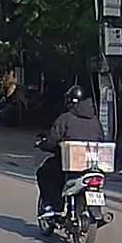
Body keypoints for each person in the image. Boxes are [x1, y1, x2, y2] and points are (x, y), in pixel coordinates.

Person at [37, 84, 104, 218]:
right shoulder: (96, 121)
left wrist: (43, 144)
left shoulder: (65, 118)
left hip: (69, 163)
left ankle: (51, 206)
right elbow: (101, 139)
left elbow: (52, 140)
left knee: (44, 173)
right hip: (92, 164)